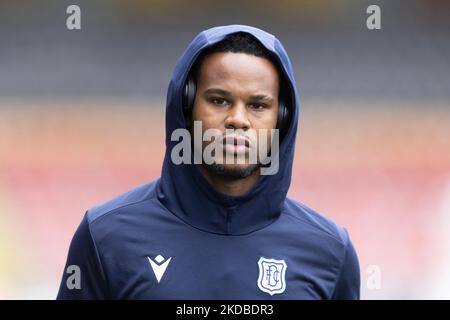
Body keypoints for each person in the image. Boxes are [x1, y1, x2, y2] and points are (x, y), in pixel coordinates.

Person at [57, 24, 360, 299]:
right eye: (219, 100)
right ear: (186, 106)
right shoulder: (104, 237)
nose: (237, 120)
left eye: (257, 105)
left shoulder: (331, 252)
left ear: (281, 118)